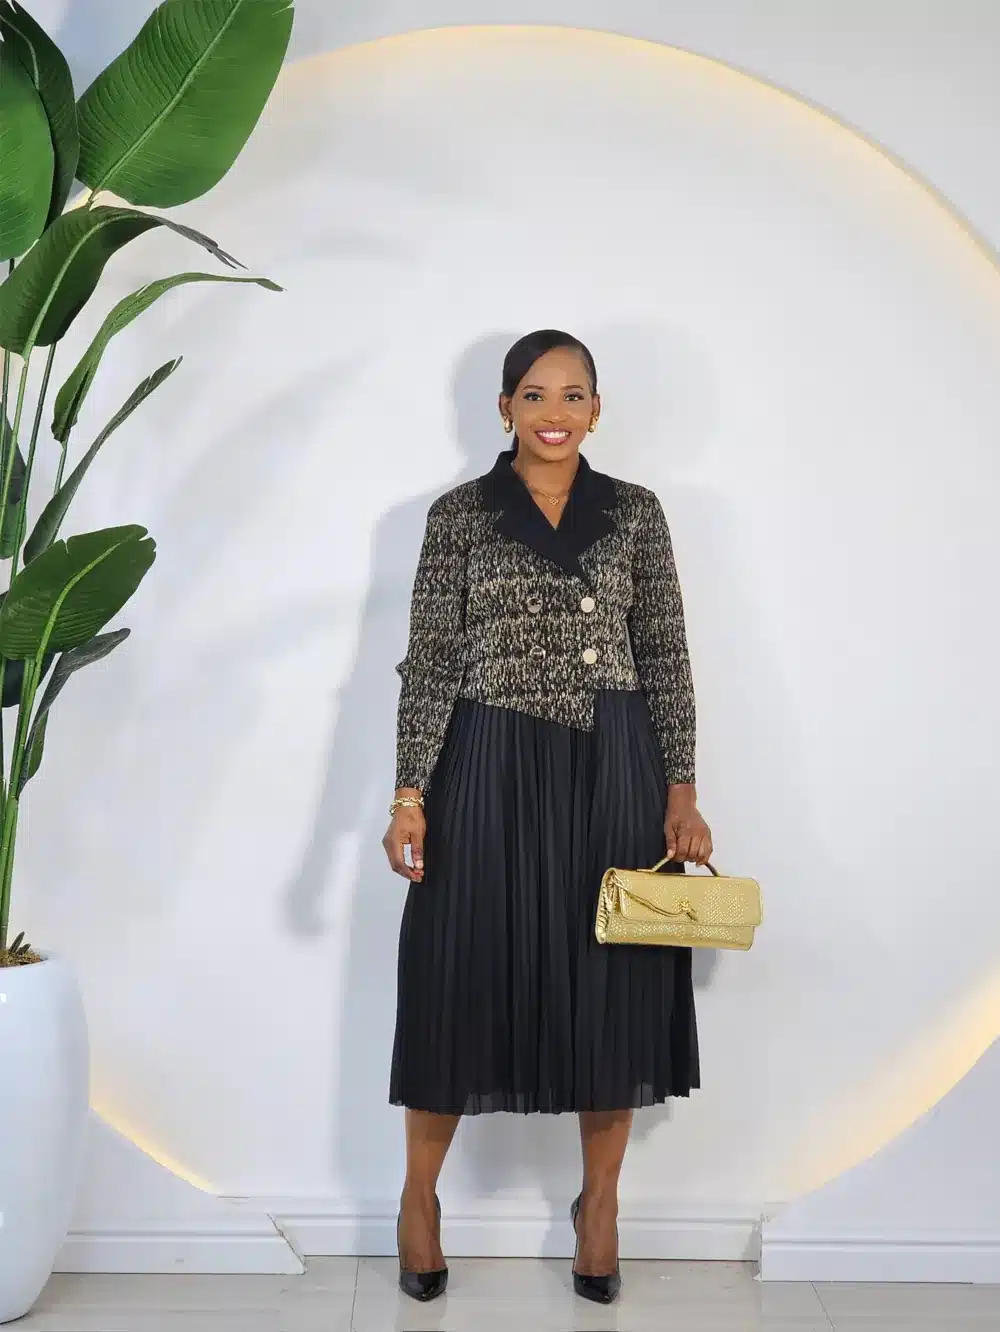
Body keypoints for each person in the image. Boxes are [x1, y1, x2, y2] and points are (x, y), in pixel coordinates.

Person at [382, 329, 712, 1305]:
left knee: (612, 985)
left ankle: (599, 1206)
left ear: (597, 410)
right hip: (488, 760)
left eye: (573, 395)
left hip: (614, 764)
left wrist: (681, 790)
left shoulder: (636, 513)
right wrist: (409, 793)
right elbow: (430, 659)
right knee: (458, 972)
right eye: (534, 394)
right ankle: (418, 1197)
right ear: (504, 409)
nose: (554, 413)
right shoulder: (459, 516)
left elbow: (665, 653)